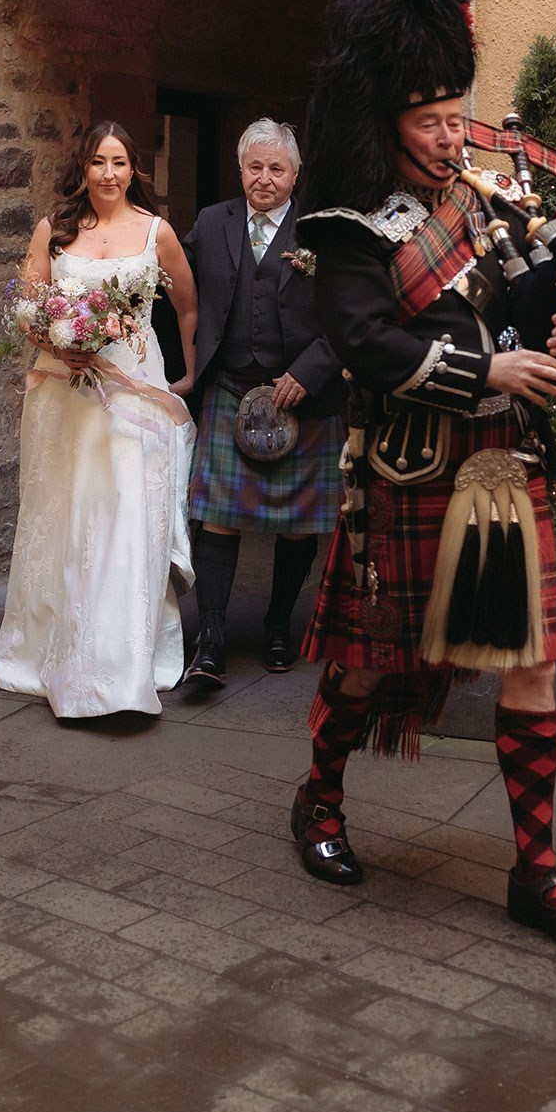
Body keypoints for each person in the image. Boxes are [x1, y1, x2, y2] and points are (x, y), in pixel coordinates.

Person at [289, 0, 556, 955]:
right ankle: (321, 799)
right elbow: (366, 343)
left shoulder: (489, 192)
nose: (449, 137)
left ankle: (539, 875)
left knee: (532, 669)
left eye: (452, 115)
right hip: (407, 471)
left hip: (505, 473)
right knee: (365, 666)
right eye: (428, 122)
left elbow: (538, 292)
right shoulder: (352, 221)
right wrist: (488, 373)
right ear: (386, 116)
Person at [0, 120, 199, 718]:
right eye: (97, 162)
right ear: (82, 168)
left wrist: (186, 375)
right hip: (64, 399)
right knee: (69, 515)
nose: (107, 174)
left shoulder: (157, 232)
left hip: (134, 393)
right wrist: (58, 343)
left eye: (118, 163)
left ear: (135, 169)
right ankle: (52, 652)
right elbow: (27, 309)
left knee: (128, 515)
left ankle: (121, 665)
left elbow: (187, 305)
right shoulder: (53, 231)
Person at [181, 118, 346, 691]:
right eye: (256, 166)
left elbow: (352, 315)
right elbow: (175, 294)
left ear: (295, 175)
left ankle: (279, 626)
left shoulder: (321, 232)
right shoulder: (210, 223)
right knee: (217, 518)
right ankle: (212, 640)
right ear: (241, 168)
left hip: (303, 398)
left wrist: (310, 369)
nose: (265, 178)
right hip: (229, 388)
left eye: (277, 169)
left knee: (298, 527)